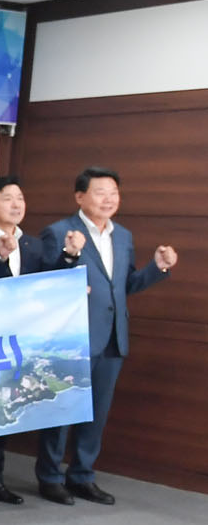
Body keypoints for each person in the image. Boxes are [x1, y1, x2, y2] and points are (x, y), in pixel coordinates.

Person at [35, 166, 176, 505]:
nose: (109, 199)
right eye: (100, 192)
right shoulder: (59, 232)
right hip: (71, 339)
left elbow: (125, 286)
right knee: (62, 411)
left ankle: (82, 476)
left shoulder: (122, 236)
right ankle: (50, 478)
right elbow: (44, 283)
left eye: (114, 193)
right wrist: (70, 256)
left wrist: (157, 268)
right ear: (79, 196)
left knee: (97, 414)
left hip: (112, 337)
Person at [0, 175, 83, 504]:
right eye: (8, 198)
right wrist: (0, 260)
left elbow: (48, 284)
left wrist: (69, 257)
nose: (17, 204)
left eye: (20, 198)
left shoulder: (33, 245)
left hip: (20, 341)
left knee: (3, 408)